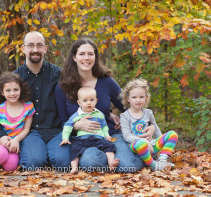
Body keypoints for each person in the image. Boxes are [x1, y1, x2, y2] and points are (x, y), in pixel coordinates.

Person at [55, 38, 155, 173]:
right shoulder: (62, 87)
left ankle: (144, 153)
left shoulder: (106, 82)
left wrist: (150, 125)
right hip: (83, 139)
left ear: (95, 57)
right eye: (82, 54)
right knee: (91, 163)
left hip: (111, 134)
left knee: (126, 166)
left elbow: (128, 106)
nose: (86, 58)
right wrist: (76, 125)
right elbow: (62, 121)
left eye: (91, 54)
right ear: (74, 57)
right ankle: (110, 161)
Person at [0, 31, 70, 171]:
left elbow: (75, 102)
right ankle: (40, 154)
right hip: (29, 133)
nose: (35, 50)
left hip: (56, 131)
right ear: (23, 49)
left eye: (39, 46)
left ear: (45, 49)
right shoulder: (13, 80)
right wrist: (1, 137)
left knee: (63, 163)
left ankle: (51, 154)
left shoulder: (59, 75)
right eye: (30, 45)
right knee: (33, 163)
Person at [120, 78, 178, 171]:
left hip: (151, 146)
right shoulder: (124, 116)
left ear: (146, 97)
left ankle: (162, 160)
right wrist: (144, 141)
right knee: (141, 143)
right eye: (134, 97)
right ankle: (153, 165)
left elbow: (156, 129)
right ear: (128, 98)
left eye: (141, 97)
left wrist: (161, 143)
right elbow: (127, 136)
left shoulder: (148, 113)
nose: (138, 100)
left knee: (172, 134)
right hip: (137, 146)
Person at [60, 87, 119, 174]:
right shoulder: (76, 115)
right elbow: (67, 126)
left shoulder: (99, 114)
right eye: (85, 100)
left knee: (109, 145)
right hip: (82, 139)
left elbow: (104, 126)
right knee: (74, 148)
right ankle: (74, 168)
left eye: (91, 100)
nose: (89, 103)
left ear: (96, 101)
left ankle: (111, 163)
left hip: (98, 138)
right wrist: (65, 138)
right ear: (79, 103)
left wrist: (106, 135)